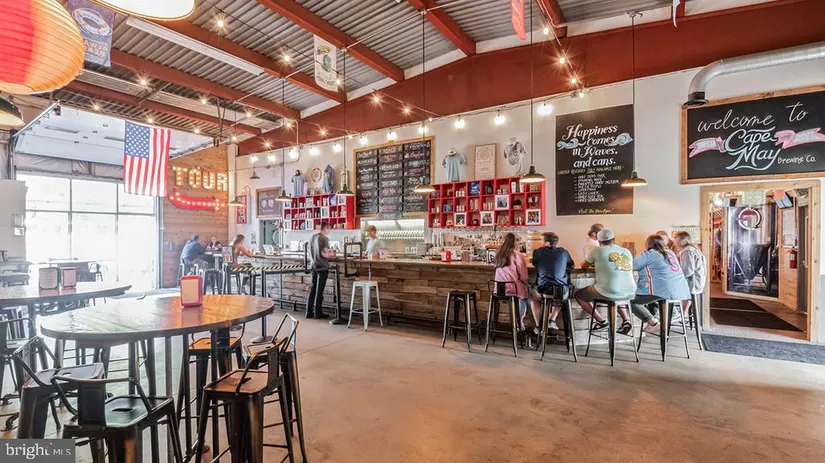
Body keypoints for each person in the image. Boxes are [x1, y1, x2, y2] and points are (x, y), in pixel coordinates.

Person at [575, 229, 637, 334]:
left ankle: (601, 321)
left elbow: (584, 266)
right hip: (630, 291)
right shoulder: (626, 251)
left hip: (610, 290)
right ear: (614, 239)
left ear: (599, 241)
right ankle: (626, 320)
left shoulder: (597, 250)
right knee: (618, 294)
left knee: (579, 295)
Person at [631, 234, 691, 331]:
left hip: (664, 291)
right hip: (681, 291)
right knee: (652, 295)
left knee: (629, 300)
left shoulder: (649, 254)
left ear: (648, 244)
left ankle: (653, 322)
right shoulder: (670, 253)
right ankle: (671, 313)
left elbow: (632, 265)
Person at [530, 232, 574, 331]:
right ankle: (552, 320)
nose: (540, 243)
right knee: (561, 296)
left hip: (543, 290)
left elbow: (534, 263)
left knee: (533, 298)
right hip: (561, 291)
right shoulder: (564, 252)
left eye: (542, 241)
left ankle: (539, 326)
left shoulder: (537, 252)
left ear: (547, 243)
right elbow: (571, 264)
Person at [493, 233, 530, 328]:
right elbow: (524, 277)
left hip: (498, 289)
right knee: (524, 296)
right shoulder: (517, 255)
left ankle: (497, 324)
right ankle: (519, 322)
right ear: (515, 242)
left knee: (523, 291)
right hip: (512, 289)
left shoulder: (498, 253)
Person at [673, 231, 707, 319]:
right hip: (697, 283)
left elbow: (687, 271)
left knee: (670, 289)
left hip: (693, 284)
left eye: (676, 238)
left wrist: (675, 277)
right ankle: (682, 312)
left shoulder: (687, 251)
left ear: (683, 240)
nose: (674, 240)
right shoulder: (692, 249)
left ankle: (682, 312)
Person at [307, 222, 334, 319]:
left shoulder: (313, 237)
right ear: (325, 228)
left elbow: (309, 250)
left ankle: (309, 312)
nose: (329, 230)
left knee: (313, 289)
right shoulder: (324, 238)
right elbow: (325, 253)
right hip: (322, 266)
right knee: (320, 291)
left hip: (314, 265)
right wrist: (332, 254)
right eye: (329, 228)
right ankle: (318, 313)